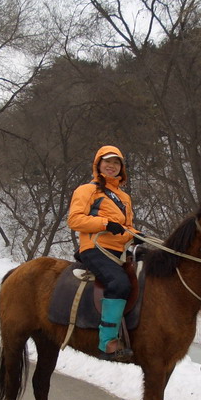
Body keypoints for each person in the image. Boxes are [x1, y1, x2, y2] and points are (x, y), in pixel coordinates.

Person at [68, 145, 138, 362]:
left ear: (121, 168)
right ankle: (107, 342)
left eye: (116, 163)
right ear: (98, 164)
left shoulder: (124, 197)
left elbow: (127, 228)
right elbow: (74, 220)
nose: (112, 166)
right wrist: (105, 224)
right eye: (107, 161)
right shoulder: (86, 190)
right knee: (119, 283)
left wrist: (136, 235)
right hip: (95, 249)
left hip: (120, 251)